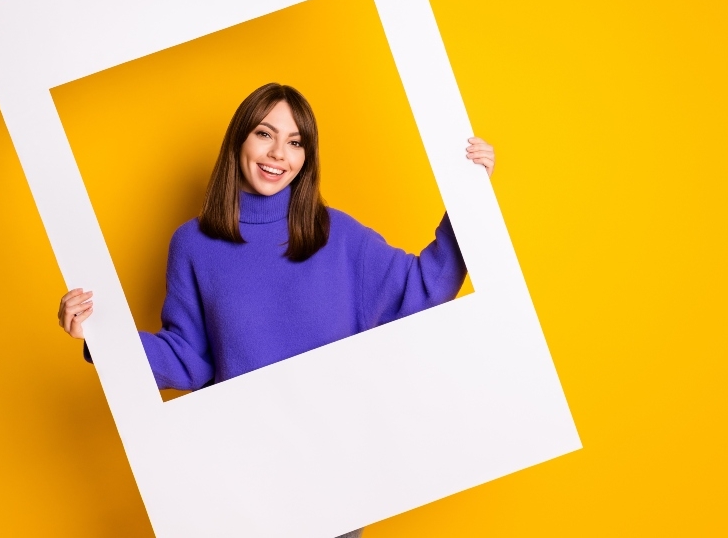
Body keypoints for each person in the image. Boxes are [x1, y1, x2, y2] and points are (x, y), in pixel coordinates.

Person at [56, 83, 495, 538]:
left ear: (307, 156)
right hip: (244, 483)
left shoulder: (336, 235)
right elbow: (189, 358)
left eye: (295, 141)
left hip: (333, 479)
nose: (278, 154)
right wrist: (101, 338)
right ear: (239, 140)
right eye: (265, 134)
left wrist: (468, 197)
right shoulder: (192, 244)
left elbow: (423, 286)